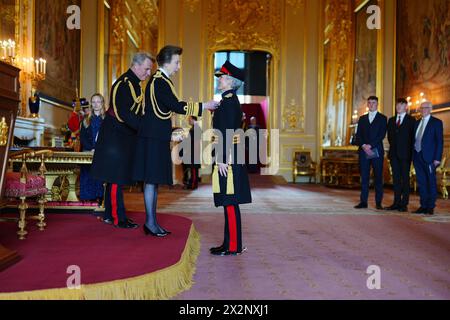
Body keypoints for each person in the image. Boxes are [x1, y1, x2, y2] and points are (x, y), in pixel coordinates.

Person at [133, 45, 218, 237]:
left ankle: (152, 223)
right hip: (153, 138)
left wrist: (171, 131)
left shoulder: (160, 80)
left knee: (153, 182)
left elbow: (161, 111)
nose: (179, 67)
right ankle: (150, 223)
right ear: (168, 61)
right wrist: (204, 105)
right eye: (177, 62)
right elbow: (175, 106)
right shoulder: (160, 81)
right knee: (151, 181)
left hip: (156, 135)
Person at [91, 52, 154, 228]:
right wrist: (145, 127)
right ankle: (117, 218)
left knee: (118, 177)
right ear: (136, 65)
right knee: (115, 178)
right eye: (147, 68)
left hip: (124, 136)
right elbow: (122, 113)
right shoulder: (123, 83)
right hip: (114, 135)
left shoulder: (136, 84)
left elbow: (137, 112)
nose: (148, 73)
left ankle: (113, 215)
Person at [210, 60, 252, 256]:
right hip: (229, 154)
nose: (219, 79)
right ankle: (229, 243)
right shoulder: (227, 102)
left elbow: (226, 133)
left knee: (230, 200)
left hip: (228, 156)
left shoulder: (228, 103)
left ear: (231, 82)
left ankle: (234, 245)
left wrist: (222, 159)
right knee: (227, 200)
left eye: (223, 77)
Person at [354, 96, 387, 210]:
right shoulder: (362, 119)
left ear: (377, 104)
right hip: (364, 151)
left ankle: (378, 203)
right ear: (367, 105)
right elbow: (358, 136)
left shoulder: (383, 118)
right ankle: (363, 202)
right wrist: (364, 145)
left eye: (374, 102)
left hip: (376, 150)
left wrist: (370, 145)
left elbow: (381, 135)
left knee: (378, 177)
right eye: (370, 103)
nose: (372, 104)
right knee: (364, 177)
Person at [412, 101, 443, 215]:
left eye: (426, 108)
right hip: (417, 156)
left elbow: (439, 142)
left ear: (430, 109)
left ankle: (430, 206)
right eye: (422, 108)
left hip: (430, 158)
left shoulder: (436, 122)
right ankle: (423, 205)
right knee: (421, 182)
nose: (423, 110)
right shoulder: (416, 123)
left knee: (430, 182)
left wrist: (437, 159)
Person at [385, 98, 416, 212]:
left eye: (401, 105)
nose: (398, 107)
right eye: (397, 105)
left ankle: (404, 204)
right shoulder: (391, 120)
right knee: (396, 180)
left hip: (406, 155)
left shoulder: (411, 120)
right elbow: (390, 137)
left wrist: (411, 155)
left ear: (406, 107)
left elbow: (413, 138)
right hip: (394, 155)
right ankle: (396, 202)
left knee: (405, 180)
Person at [79, 93, 106, 204]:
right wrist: (90, 149)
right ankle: (88, 197)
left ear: (102, 103)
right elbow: (83, 137)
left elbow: (108, 137)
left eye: (98, 102)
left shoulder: (107, 120)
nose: (96, 104)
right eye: (93, 102)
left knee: (99, 175)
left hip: (102, 151)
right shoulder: (86, 120)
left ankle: (100, 196)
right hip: (88, 151)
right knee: (87, 173)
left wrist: (98, 149)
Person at [182, 116, 202, 190]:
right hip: (193, 151)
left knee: (194, 169)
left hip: (194, 151)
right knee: (193, 169)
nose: (188, 121)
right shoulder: (194, 127)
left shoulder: (196, 128)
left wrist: (185, 139)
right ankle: (192, 184)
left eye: (190, 120)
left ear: (194, 120)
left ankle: (194, 184)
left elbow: (193, 139)